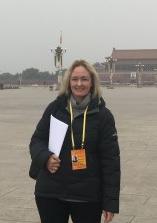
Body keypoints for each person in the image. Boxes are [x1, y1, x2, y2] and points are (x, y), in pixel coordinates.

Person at [29, 59, 120, 223]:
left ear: (92, 83)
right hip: (51, 192)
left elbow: (111, 162)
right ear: (68, 82)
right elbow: (37, 140)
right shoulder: (55, 108)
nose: (79, 84)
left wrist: (110, 203)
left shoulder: (103, 116)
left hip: (87, 196)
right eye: (74, 79)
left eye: (84, 79)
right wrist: (45, 157)